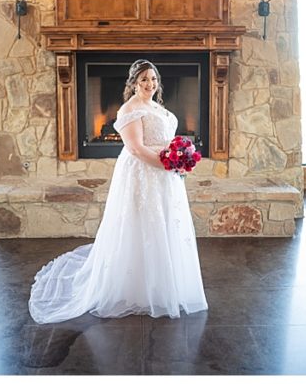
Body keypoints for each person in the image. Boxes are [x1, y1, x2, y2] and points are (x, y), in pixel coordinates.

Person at [29, 59, 207, 322]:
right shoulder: (129, 110)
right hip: (144, 174)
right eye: (144, 79)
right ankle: (136, 289)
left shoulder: (155, 106)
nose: (150, 84)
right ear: (134, 82)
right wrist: (169, 164)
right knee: (143, 225)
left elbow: (164, 139)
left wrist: (180, 159)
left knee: (165, 223)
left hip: (165, 175)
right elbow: (136, 149)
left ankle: (164, 285)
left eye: (154, 79)